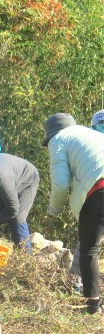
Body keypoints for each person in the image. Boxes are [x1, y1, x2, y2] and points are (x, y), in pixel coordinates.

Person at [43, 113, 104, 314]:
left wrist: (54, 209)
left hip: (100, 189)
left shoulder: (58, 139)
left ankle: (93, 304)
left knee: (88, 249)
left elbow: (61, 184)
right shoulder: (93, 134)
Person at [0, 153, 39, 252]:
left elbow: (13, 208)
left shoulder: (2, 180)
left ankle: (24, 256)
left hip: (27, 178)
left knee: (18, 218)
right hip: (5, 173)